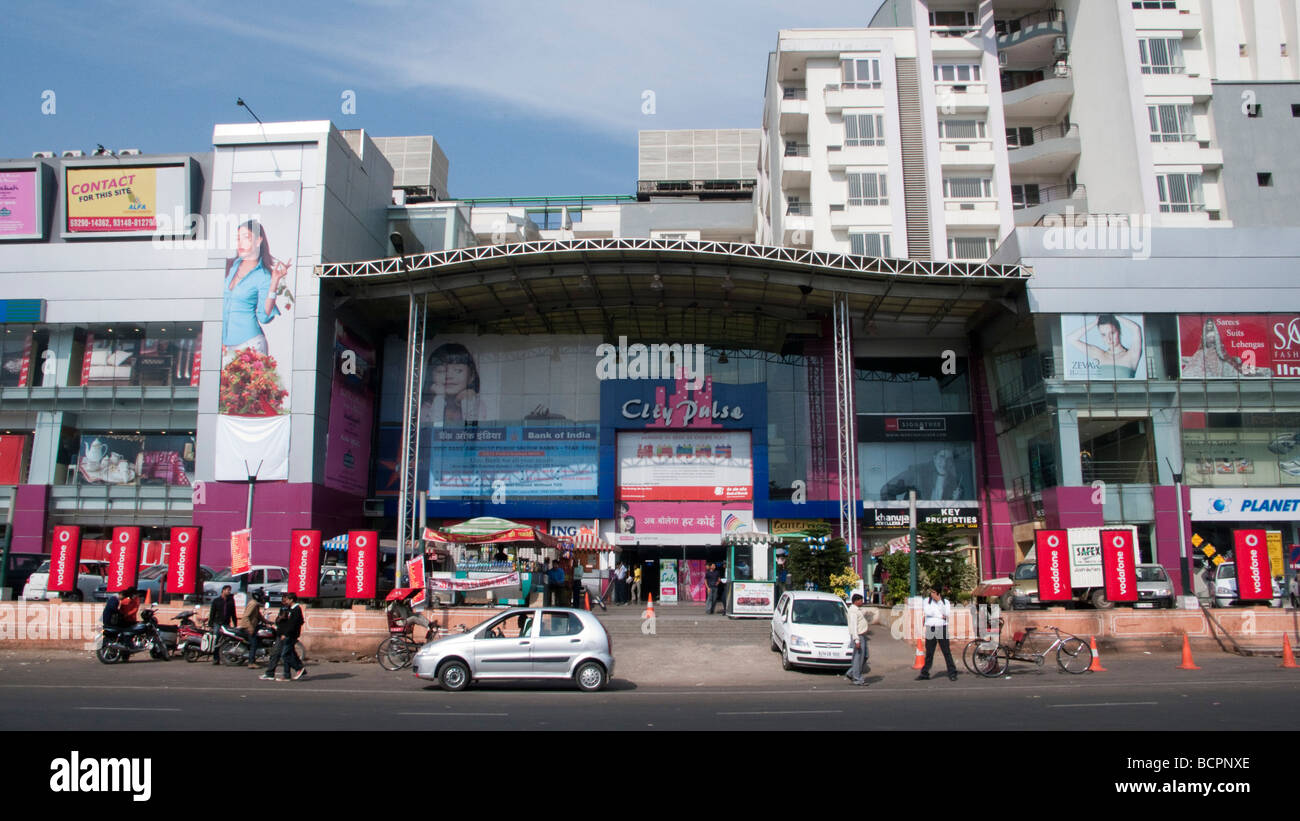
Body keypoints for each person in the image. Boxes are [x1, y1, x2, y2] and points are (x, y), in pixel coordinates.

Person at [223, 220, 290, 364]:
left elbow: (264, 316)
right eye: (238, 238)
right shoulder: (229, 266)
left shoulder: (263, 276)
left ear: (258, 240)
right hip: (224, 346)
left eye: (246, 238)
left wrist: (274, 282)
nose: (240, 243)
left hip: (250, 345)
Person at [1181, 317, 1271, 378]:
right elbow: (1201, 347)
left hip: (1215, 354)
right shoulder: (1204, 335)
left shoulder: (1215, 335)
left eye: (1210, 325)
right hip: (1205, 353)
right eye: (1208, 325)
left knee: (1232, 367)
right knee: (1197, 362)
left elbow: (1219, 346)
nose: (1209, 326)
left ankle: (1259, 371)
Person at [422, 342, 484, 427]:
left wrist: (468, 402)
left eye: (458, 370)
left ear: (471, 376)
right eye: (441, 371)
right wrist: (439, 398)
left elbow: (473, 430)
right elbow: (433, 430)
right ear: (431, 376)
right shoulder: (426, 407)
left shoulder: (476, 405)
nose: (449, 376)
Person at [1067, 314, 1143, 379]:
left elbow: (1136, 328)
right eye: (1103, 335)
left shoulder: (1132, 355)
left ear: (1119, 331)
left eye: (1112, 333)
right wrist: (1095, 322)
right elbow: (1071, 338)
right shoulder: (1099, 355)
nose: (1108, 338)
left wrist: (1114, 315)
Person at [880, 447, 967, 501]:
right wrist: (899, 514)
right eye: (942, 457)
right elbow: (886, 491)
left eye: (949, 459)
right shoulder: (916, 472)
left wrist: (955, 501)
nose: (944, 463)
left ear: (952, 462)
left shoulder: (956, 485)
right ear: (934, 457)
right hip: (915, 521)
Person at [261, 592, 306, 681]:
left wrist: (285, 634)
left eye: (286, 599)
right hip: (282, 633)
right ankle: (284, 674)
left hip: (288, 635)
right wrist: (280, 619)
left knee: (285, 655)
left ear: (290, 600)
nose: (284, 601)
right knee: (282, 654)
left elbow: (293, 624)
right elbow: (279, 620)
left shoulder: (295, 609)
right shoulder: (286, 608)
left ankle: (298, 669)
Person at [917, 587, 958, 682]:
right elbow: (928, 612)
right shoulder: (927, 601)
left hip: (941, 627)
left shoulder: (945, 602)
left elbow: (946, 613)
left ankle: (952, 673)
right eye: (931, 592)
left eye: (934, 592)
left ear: (938, 593)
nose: (932, 594)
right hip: (931, 627)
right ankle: (924, 673)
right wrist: (940, 615)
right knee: (929, 652)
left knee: (946, 651)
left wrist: (939, 602)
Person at [846, 593, 872, 686]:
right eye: (861, 600)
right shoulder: (853, 611)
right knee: (858, 658)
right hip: (858, 636)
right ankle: (857, 678)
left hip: (862, 636)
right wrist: (856, 640)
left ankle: (852, 673)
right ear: (856, 601)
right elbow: (853, 627)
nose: (862, 602)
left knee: (865, 656)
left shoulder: (857, 610)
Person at [208, 585, 237, 665]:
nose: (229, 592)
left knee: (227, 640)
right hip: (217, 623)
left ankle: (226, 657)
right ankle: (215, 658)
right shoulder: (216, 601)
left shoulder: (231, 601)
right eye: (228, 590)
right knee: (217, 640)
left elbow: (233, 613)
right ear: (223, 590)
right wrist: (210, 625)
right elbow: (212, 613)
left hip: (226, 623)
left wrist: (235, 624)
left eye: (230, 590)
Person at [241, 590, 267, 667]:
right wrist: (250, 628)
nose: (262, 598)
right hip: (248, 627)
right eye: (262, 596)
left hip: (254, 626)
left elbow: (258, 615)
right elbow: (246, 616)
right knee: (254, 644)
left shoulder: (256, 604)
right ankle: (251, 662)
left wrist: (266, 621)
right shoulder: (253, 604)